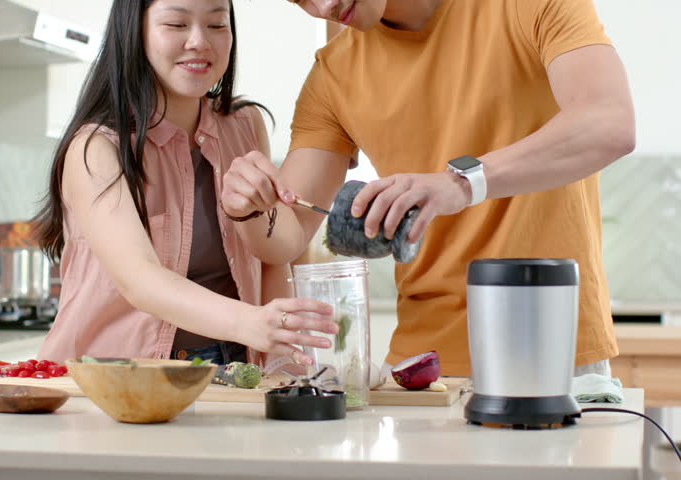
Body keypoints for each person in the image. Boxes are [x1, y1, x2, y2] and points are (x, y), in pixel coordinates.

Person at [220, 0, 635, 377]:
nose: (324, 6)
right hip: (423, 366)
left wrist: (462, 182)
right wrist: (248, 206)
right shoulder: (333, 74)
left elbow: (609, 122)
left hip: (556, 348)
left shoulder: (528, 5)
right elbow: (288, 234)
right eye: (299, 0)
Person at [33, 0, 338, 368]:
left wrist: (283, 363)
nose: (199, 42)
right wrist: (253, 323)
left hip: (233, 367)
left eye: (216, 24)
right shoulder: (96, 147)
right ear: (134, 32)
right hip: (112, 377)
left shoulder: (244, 124)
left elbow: (273, 257)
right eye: (177, 25)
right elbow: (139, 280)